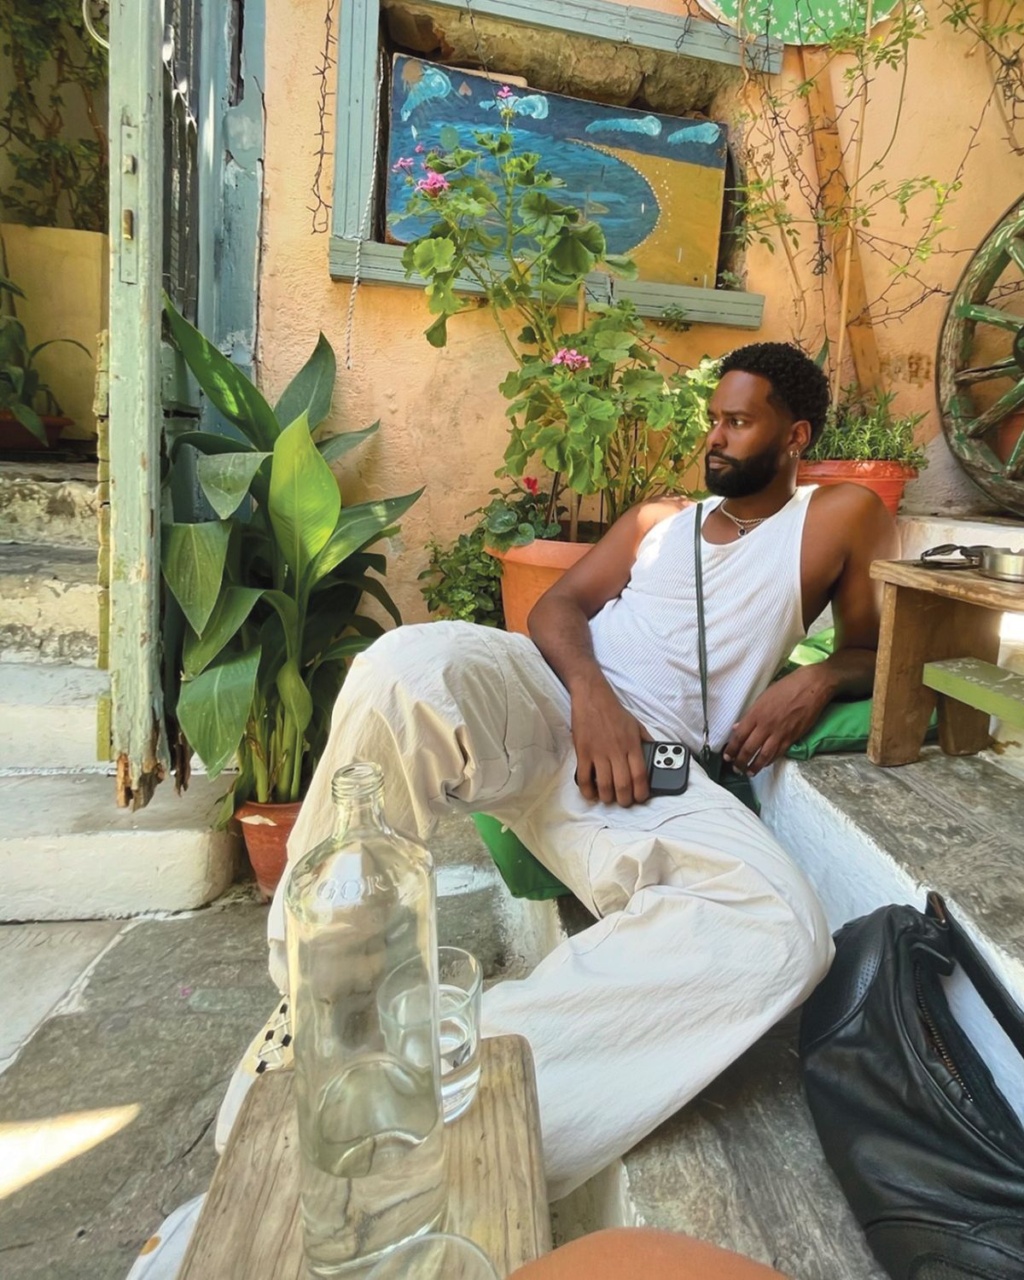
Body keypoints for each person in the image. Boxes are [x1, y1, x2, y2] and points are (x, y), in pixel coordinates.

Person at [268, 342, 899, 1201]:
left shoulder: (840, 514)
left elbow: (871, 648)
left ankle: (458, 1078)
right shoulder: (658, 521)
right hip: (550, 697)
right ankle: (315, 998)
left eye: (737, 422)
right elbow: (559, 604)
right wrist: (594, 697)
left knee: (782, 928)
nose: (714, 437)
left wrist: (816, 677)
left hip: (650, 772)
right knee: (405, 666)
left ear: (794, 436)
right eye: (712, 418)